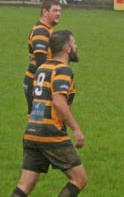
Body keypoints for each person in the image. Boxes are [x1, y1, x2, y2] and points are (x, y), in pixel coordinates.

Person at [12, 30, 87, 197]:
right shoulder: (63, 71)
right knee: (79, 179)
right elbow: (58, 102)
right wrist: (76, 128)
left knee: (24, 186)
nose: (76, 47)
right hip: (50, 133)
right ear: (67, 49)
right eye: (74, 44)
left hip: (32, 131)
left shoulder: (42, 68)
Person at [23, 0, 63, 114]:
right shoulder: (41, 32)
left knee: (41, 120)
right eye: (55, 11)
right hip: (37, 82)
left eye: (60, 11)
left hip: (39, 81)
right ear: (45, 12)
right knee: (38, 120)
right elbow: (41, 62)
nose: (58, 14)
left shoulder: (47, 30)